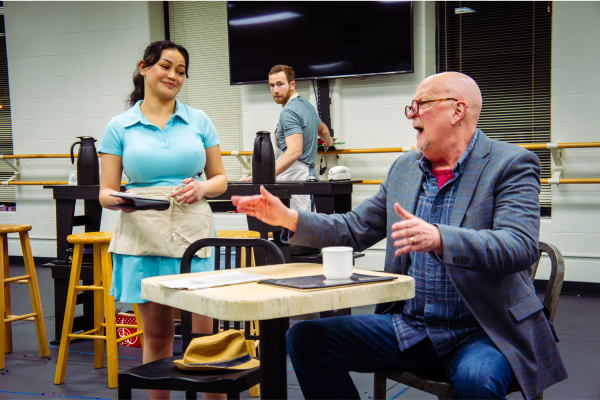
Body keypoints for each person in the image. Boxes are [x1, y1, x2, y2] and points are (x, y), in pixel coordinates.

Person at [232, 72, 568, 400]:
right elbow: (353, 228)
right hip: (411, 328)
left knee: (476, 380)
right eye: (411, 107)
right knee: (305, 339)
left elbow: (519, 246)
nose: (412, 116)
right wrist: (290, 218)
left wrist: (440, 238)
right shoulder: (405, 169)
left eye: (420, 105)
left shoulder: (511, 164)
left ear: (457, 110)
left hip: (484, 331)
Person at [98, 40, 227, 400]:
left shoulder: (198, 120)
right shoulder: (120, 126)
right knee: (157, 337)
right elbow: (105, 191)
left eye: (181, 71)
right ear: (144, 67)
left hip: (194, 234)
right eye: (165, 66)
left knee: (205, 337)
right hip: (142, 232)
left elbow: (220, 179)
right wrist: (123, 200)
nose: (173, 75)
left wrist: (202, 188)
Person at [243, 65, 334, 211]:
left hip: (295, 177)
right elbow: (323, 130)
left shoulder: (289, 112)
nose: (275, 90)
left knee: (297, 231)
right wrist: (329, 142)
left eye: (280, 84)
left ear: (292, 84)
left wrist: (266, 176)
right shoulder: (307, 106)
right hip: (309, 175)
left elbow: (294, 151)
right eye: (272, 85)